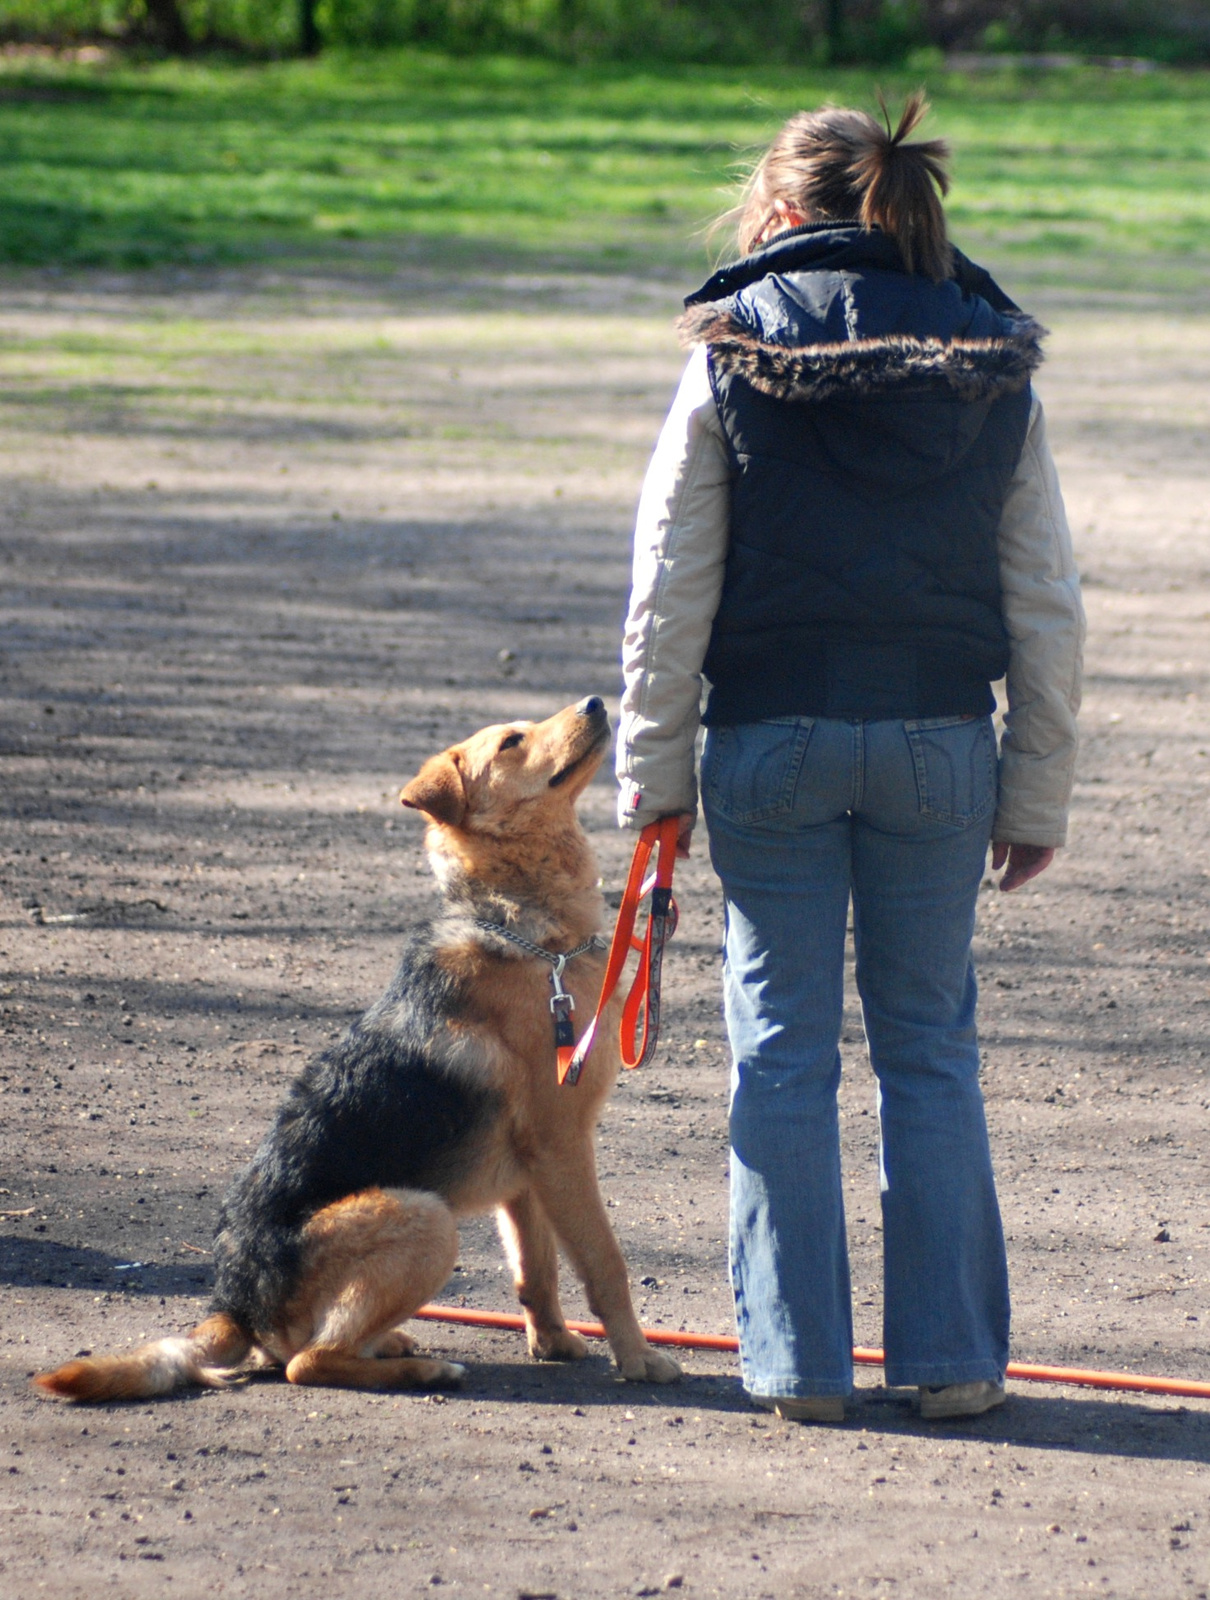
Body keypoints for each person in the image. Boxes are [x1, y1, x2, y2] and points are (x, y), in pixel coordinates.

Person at [615, 95, 1084, 1423]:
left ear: (774, 214)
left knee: (778, 1054)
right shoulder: (994, 356)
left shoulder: (727, 352)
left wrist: (650, 782)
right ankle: (951, 1364)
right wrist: (1035, 786)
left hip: (766, 744)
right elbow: (1045, 597)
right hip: (942, 744)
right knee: (929, 1053)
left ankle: (797, 1368)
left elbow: (667, 584)